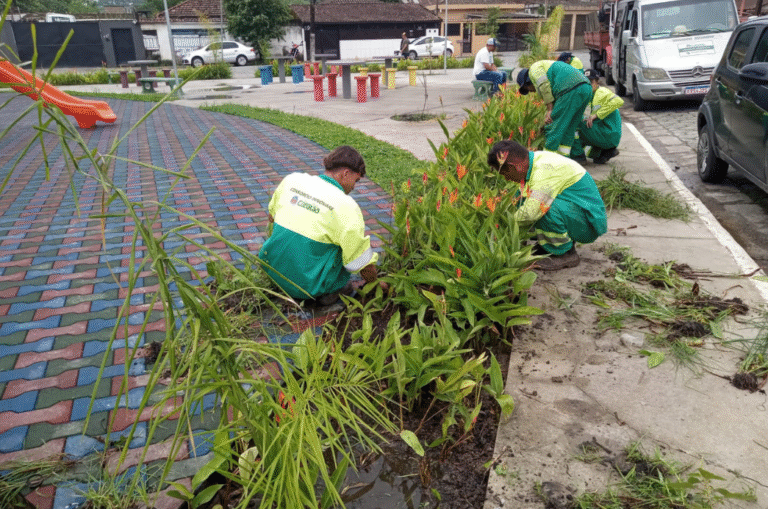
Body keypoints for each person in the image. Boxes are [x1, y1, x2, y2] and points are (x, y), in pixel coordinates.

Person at [258, 146, 387, 306]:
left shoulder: (292, 180)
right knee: (344, 255)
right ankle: (324, 296)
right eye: (356, 180)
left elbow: (272, 217)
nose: (354, 186)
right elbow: (360, 261)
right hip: (307, 288)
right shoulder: (346, 206)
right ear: (346, 173)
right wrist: (376, 283)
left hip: (273, 272)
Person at [487, 140, 607, 270]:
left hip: (589, 225)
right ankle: (549, 245)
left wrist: (504, 228)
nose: (506, 179)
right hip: (576, 212)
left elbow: (531, 213)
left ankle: (564, 253)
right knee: (521, 199)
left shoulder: (544, 169)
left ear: (513, 167)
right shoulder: (533, 162)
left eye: (504, 174)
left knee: (542, 209)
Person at [516, 60, 591, 158]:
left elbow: (543, 85)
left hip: (570, 89)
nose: (531, 92)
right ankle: (564, 160)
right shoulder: (549, 72)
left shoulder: (533, 69)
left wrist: (549, 110)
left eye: (528, 90)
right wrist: (547, 118)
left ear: (527, 82)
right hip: (586, 88)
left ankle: (547, 161)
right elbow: (558, 105)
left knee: (553, 128)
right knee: (569, 128)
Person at [571, 69, 622, 164]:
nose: (588, 85)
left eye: (591, 82)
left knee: (573, 123)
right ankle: (605, 152)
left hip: (608, 134)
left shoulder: (601, 92)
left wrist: (596, 115)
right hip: (606, 133)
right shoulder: (591, 95)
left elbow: (619, 101)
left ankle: (579, 156)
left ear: (597, 82)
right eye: (586, 83)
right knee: (595, 158)